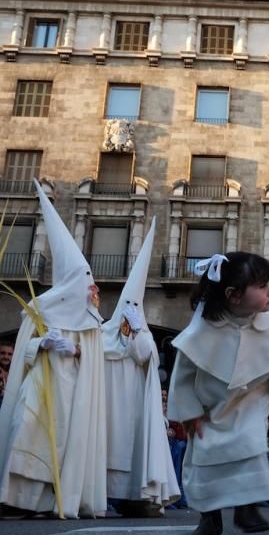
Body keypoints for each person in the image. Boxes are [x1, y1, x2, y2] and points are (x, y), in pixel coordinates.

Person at [0, 181, 108, 520]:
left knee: (62, 444)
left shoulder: (91, 317)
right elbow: (23, 347)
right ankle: (15, 498)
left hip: (71, 390)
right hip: (40, 380)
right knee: (26, 428)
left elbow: (94, 357)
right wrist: (42, 343)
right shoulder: (40, 306)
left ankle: (49, 501)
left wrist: (76, 352)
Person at [166, 252, 269, 535]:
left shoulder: (268, 324)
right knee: (204, 462)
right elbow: (183, 375)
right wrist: (188, 411)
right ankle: (208, 518)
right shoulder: (200, 332)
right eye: (262, 286)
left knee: (250, 450)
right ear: (234, 295)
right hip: (210, 410)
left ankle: (247, 509)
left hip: (250, 403)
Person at [102, 218, 181, 517]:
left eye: (137, 307)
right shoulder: (105, 332)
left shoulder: (143, 332)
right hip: (111, 403)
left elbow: (146, 356)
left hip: (135, 403)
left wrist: (136, 332)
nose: (131, 311)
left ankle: (138, 496)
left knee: (134, 448)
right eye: (128, 306)